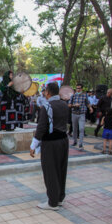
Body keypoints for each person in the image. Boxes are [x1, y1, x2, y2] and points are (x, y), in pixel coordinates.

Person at [30, 82, 69, 211]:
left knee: (50, 171)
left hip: (51, 143)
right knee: (61, 170)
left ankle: (52, 202)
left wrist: (33, 145)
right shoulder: (64, 105)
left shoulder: (46, 107)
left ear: (47, 92)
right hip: (63, 141)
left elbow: (41, 128)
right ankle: (59, 198)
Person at [68, 83, 93, 149]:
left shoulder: (85, 96)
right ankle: (75, 141)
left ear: (81, 89)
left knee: (81, 128)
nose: (78, 89)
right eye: (77, 88)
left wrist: (90, 108)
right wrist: (74, 105)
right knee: (74, 128)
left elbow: (87, 103)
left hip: (82, 114)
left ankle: (81, 143)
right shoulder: (73, 96)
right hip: (74, 113)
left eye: (79, 88)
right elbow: (69, 105)